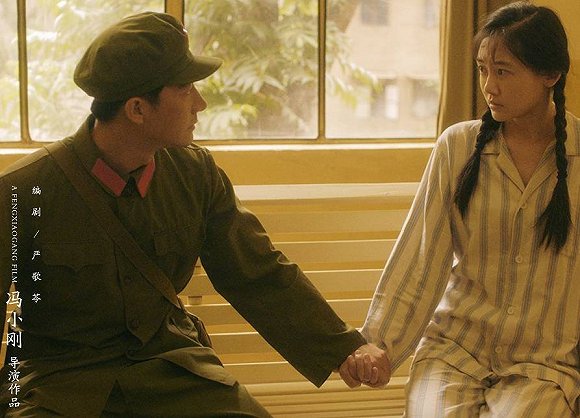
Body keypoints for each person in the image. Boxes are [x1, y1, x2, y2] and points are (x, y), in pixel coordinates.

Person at [0, 12, 389, 417]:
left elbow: (257, 272)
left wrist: (344, 347)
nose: (200, 104)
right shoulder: (22, 190)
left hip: (173, 372)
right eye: (185, 89)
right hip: (59, 385)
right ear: (137, 109)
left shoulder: (195, 175)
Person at [347, 2, 579, 417]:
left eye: (503, 71)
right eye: (483, 69)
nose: (489, 86)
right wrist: (378, 345)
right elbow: (420, 259)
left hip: (542, 368)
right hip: (452, 353)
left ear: (550, 74)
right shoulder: (457, 147)